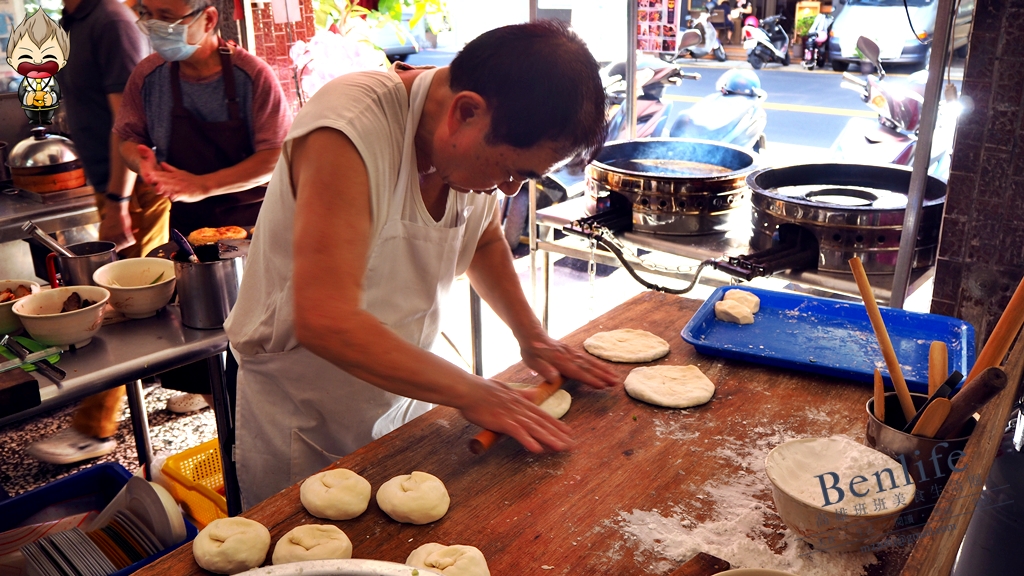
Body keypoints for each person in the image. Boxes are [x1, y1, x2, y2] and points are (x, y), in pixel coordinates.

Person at [225, 20, 620, 508]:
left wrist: (531, 336)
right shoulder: (348, 131)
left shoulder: (471, 140)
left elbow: (482, 241)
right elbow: (325, 321)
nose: (509, 190)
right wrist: (476, 392)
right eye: (512, 171)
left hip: (404, 388)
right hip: (304, 408)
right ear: (465, 112)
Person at [114, 0, 289, 413]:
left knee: (262, 340)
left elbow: (275, 157)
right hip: (189, 225)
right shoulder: (149, 76)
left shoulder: (251, 77)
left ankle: (255, 410)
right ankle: (218, 405)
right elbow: (126, 136)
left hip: (254, 223)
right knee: (201, 331)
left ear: (208, 18)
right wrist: (142, 162)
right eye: (147, 14)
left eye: (168, 18)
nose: (155, 26)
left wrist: (203, 184)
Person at [26, 0, 162, 465]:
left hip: (138, 186)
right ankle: (200, 386)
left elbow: (131, 126)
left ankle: (94, 429)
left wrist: (119, 200)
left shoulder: (111, 21)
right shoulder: (76, 20)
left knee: (125, 306)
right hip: (113, 186)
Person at [6, 10, 69, 125]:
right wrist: (28, 98)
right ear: (11, 61)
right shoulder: (24, 83)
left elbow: (56, 93)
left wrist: (51, 98)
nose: (38, 61)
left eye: (48, 56)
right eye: (27, 56)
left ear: (63, 61)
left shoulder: (55, 82)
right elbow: (22, 93)